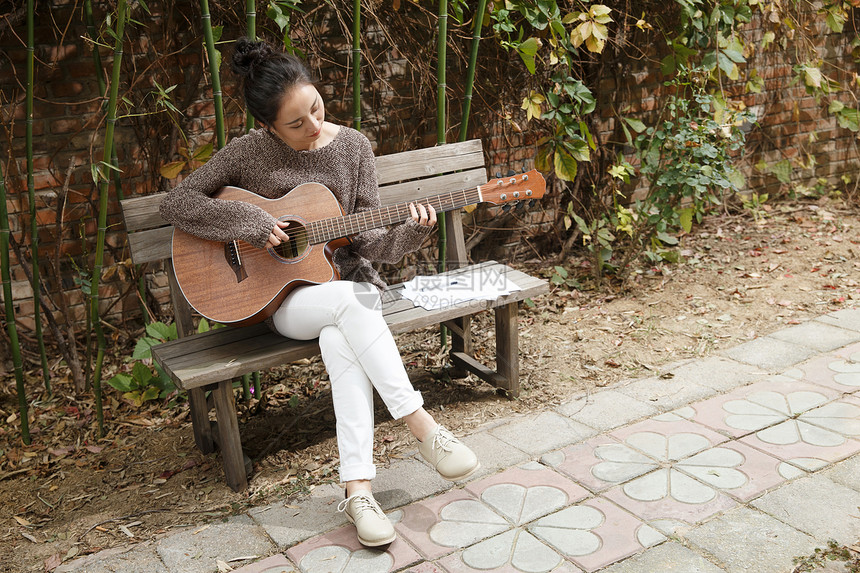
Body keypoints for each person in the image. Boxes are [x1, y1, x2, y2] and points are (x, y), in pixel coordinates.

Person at [158, 37, 480, 547]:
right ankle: (422, 426)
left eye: (315, 108)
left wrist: (415, 230)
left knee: (342, 331)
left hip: (346, 293)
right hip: (282, 300)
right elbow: (177, 203)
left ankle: (358, 492)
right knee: (347, 309)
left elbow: (373, 244)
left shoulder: (353, 147)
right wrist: (248, 221)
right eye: (295, 123)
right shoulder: (247, 152)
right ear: (267, 127)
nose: (313, 127)